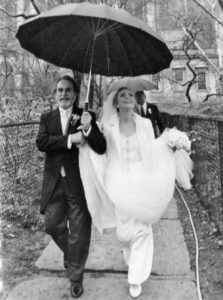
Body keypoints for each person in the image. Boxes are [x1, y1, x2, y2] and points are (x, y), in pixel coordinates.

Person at [79, 87, 193, 298]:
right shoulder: (108, 126)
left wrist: (171, 144)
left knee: (142, 228)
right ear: (116, 103)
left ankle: (135, 277)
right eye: (123, 95)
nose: (128, 97)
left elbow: (152, 150)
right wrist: (88, 127)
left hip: (142, 179)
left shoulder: (146, 124)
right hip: (118, 181)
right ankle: (133, 260)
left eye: (130, 95)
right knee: (124, 234)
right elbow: (100, 147)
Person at [36, 75, 106, 298]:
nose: (63, 94)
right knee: (52, 225)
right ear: (55, 94)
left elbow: (101, 147)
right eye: (59, 90)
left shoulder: (85, 115)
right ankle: (72, 256)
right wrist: (70, 139)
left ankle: (76, 278)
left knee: (79, 231)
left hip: (79, 182)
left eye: (68, 90)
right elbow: (42, 142)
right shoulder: (47, 117)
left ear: (76, 94)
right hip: (55, 182)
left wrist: (87, 129)